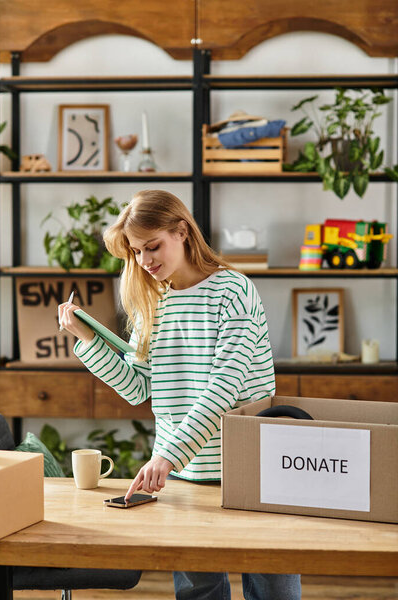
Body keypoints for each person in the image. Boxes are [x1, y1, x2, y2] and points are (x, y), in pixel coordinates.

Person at [58, 189, 301, 600]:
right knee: (199, 593)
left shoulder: (233, 292)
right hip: (186, 478)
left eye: (152, 246)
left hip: (254, 473)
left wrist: (168, 454)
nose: (145, 261)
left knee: (273, 591)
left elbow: (223, 388)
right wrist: (86, 340)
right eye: (135, 252)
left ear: (182, 231)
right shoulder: (153, 302)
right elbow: (138, 387)